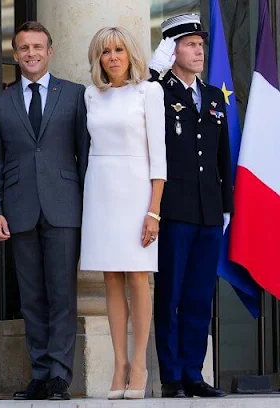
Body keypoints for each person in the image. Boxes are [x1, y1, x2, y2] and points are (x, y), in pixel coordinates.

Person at [0, 21, 89, 401]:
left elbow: (85, 157)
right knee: (31, 297)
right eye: (24, 47)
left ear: (50, 51)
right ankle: (40, 373)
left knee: (62, 295)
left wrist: (88, 210)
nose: (31, 54)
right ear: (15, 53)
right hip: (19, 209)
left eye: (37, 47)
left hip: (64, 207)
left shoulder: (75, 95)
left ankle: (59, 376)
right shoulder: (0, 101)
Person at [148, 13, 232, 398]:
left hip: (208, 210)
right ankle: (172, 376)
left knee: (200, 296)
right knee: (171, 295)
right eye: (190, 45)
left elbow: (221, 155)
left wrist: (226, 205)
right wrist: (152, 75)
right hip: (174, 209)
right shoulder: (157, 91)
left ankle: (194, 373)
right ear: (172, 48)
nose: (199, 51)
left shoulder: (214, 96)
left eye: (201, 45)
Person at [81, 27, 166, 400]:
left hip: (137, 190)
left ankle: (140, 364)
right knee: (110, 278)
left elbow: (160, 155)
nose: (112, 57)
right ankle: (118, 366)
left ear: (131, 54)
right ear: (98, 59)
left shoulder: (150, 91)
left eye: (118, 50)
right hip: (100, 187)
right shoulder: (90, 95)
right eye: (105, 52)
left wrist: (154, 211)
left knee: (138, 277)